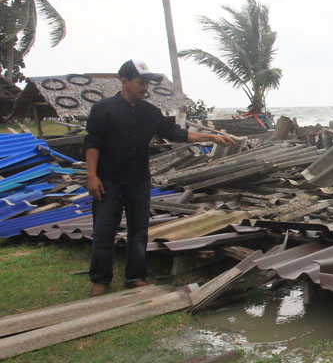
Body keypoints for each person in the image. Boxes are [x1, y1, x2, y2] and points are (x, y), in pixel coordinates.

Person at [85, 60, 236, 297]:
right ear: (125, 81)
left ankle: (135, 277)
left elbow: (177, 134)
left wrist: (211, 137)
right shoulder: (104, 109)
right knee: (104, 230)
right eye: (141, 82)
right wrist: (92, 176)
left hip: (138, 180)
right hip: (108, 179)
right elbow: (93, 143)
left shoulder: (150, 112)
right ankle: (100, 280)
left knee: (139, 230)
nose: (145, 88)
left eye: (147, 83)